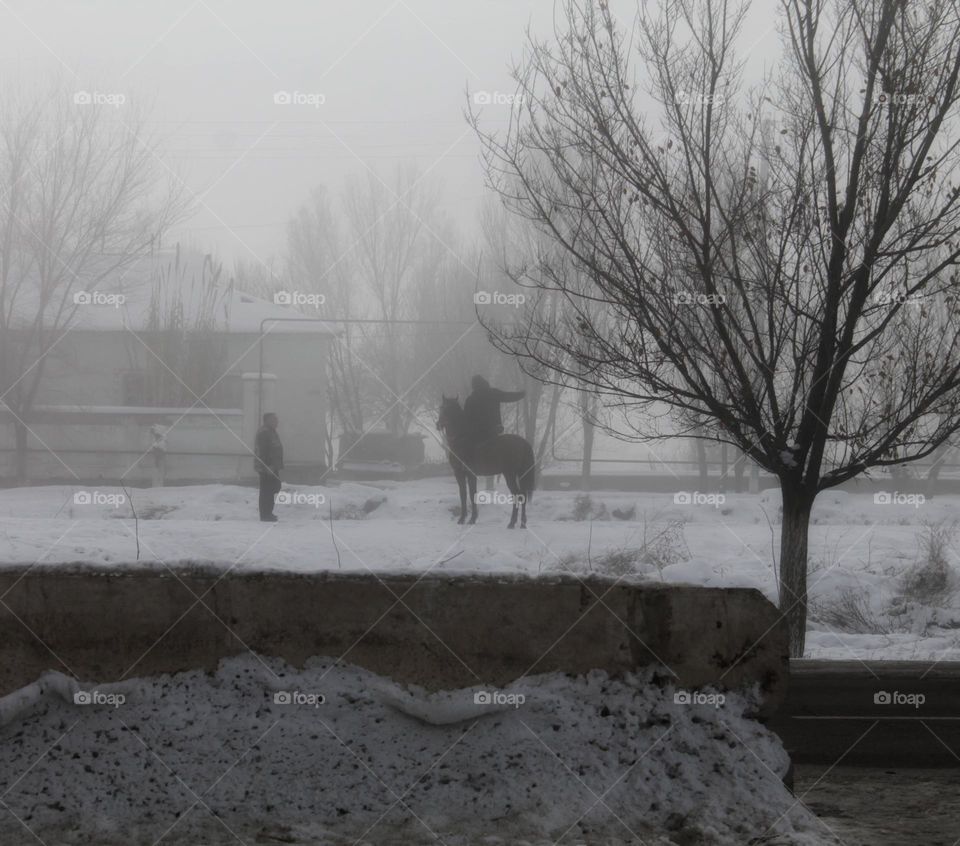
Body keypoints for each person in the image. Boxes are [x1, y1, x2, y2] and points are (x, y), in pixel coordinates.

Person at [463, 375, 525, 450]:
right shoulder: (493, 393)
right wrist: (522, 394)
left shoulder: (470, 400)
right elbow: (508, 396)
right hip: (495, 430)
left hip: (478, 434)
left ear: (473, 386)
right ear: (484, 382)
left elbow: (466, 419)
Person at [254, 412, 283, 522]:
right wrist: (268, 466)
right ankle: (265, 515)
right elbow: (263, 451)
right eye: (274, 419)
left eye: (276, 419)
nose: (276, 421)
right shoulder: (264, 432)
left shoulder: (271, 431)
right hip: (267, 467)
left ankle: (267, 513)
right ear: (267, 421)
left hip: (272, 466)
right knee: (267, 490)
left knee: (274, 487)